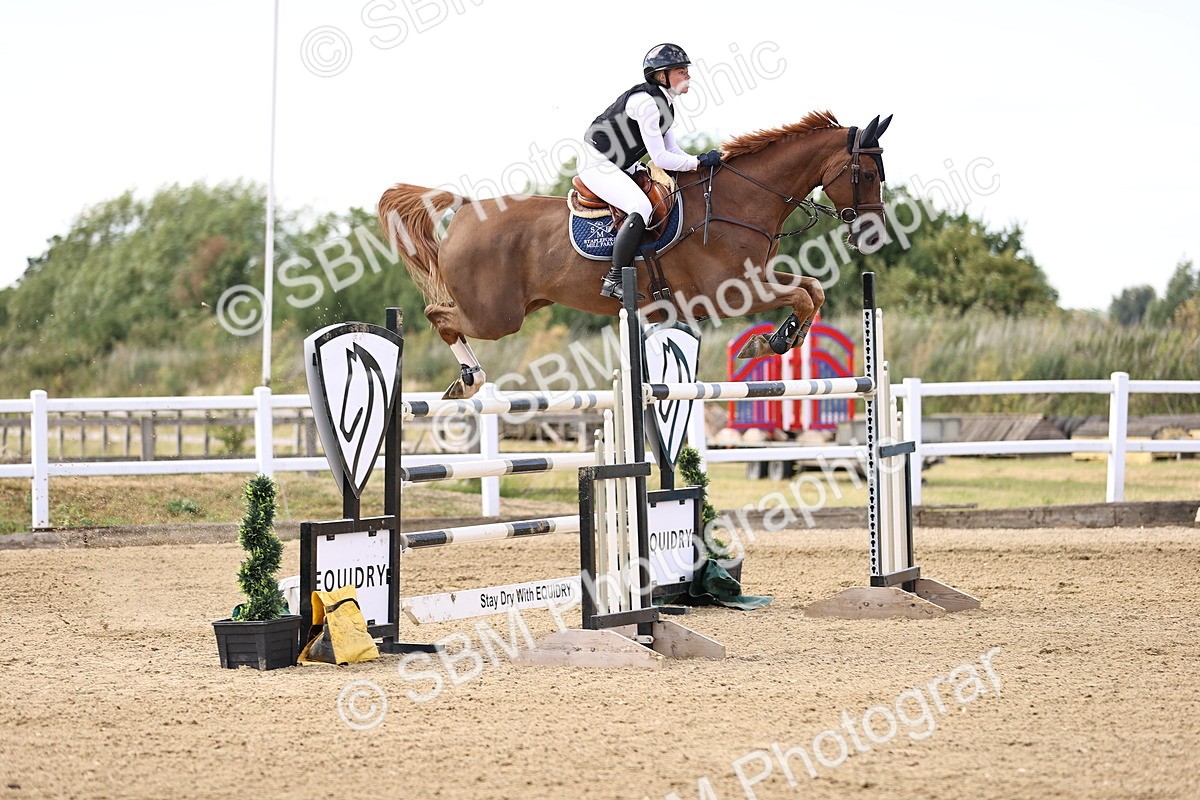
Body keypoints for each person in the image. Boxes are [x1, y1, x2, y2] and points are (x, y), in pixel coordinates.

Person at [580, 43, 721, 302]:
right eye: (680, 71)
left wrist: (699, 160)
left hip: (621, 163)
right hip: (597, 162)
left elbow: (672, 149)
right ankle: (613, 279)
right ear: (661, 76)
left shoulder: (666, 104)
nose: (688, 75)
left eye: (686, 70)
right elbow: (660, 159)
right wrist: (698, 162)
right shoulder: (646, 103)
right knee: (641, 206)